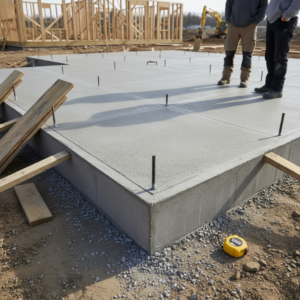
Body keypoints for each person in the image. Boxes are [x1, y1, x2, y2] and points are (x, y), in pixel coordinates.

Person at [255, 0, 300, 99]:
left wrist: (287, 15)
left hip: (284, 21)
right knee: (269, 55)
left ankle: (277, 89)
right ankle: (269, 85)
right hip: (272, 21)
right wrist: (270, 14)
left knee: (280, 57)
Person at [218, 0, 268, 88]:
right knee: (229, 53)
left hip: (250, 26)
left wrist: (256, 22)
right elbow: (228, 4)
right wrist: (228, 20)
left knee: (247, 55)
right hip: (233, 25)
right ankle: (225, 77)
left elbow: (264, 6)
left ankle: (244, 79)